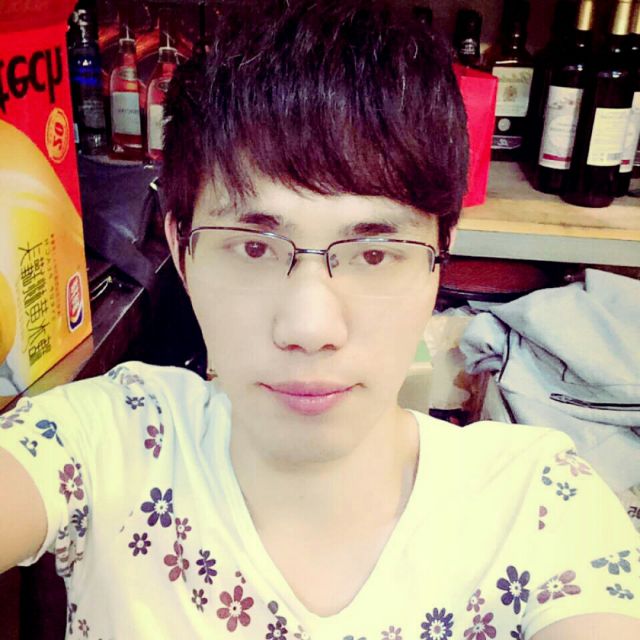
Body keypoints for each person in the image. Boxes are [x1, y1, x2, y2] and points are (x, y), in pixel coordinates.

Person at [1, 1, 639, 638]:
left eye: (374, 253)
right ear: (182, 251)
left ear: (439, 259)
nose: (310, 327)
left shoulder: (541, 506)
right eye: (254, 248)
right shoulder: (109, 442)